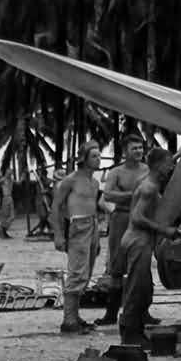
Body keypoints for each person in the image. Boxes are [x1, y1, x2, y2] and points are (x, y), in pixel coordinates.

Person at [120, 149, 179, 348]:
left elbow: (159, 160)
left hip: (136, 240)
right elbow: (137, 217)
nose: (171, 167)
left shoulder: (146, 179)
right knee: (137, 289)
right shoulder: (149, 187)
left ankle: (135, 331)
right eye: (169, 164)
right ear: (159, 165)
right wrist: (164, 230)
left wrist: (180, 154)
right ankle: (130, 334)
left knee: (144, 288)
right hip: (138, 240)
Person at [95, 132, 148, 325]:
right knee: (117, 268)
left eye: (141, 148)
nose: (138, 151)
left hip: (141, 220)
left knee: (141, 268)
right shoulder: (117, 172)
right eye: (134, 148)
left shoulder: (147, 170)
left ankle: (142, 312)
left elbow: (153, 193)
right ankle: (110, 313)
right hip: (120, 219)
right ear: (125, 151)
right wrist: (131, 195)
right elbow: (107, 195)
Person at [50, 144, 104, 333]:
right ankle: (69, 319)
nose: (98, 159)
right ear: (84, 158)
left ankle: (76, 315)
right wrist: (58, 234)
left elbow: (94, 207)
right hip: (78, 226)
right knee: (77, 272)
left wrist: (97, 236)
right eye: (94, 156)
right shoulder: (70, 181)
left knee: (86, 273)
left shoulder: (95, 183)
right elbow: (55, 207)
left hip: (92, 224)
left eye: (99, 155)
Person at [0, 169, 15, 239]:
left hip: (10, 198)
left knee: (12, 216)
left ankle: (2, 230)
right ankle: (2, 231)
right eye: (8, 173)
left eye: (11, 173)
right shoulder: (3, 179)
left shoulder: (11, 180)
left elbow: (18, 183)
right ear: (6, 173)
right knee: (6, 216)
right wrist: (1, 188)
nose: (9, 174)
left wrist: (23, 176)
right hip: (5, 198)